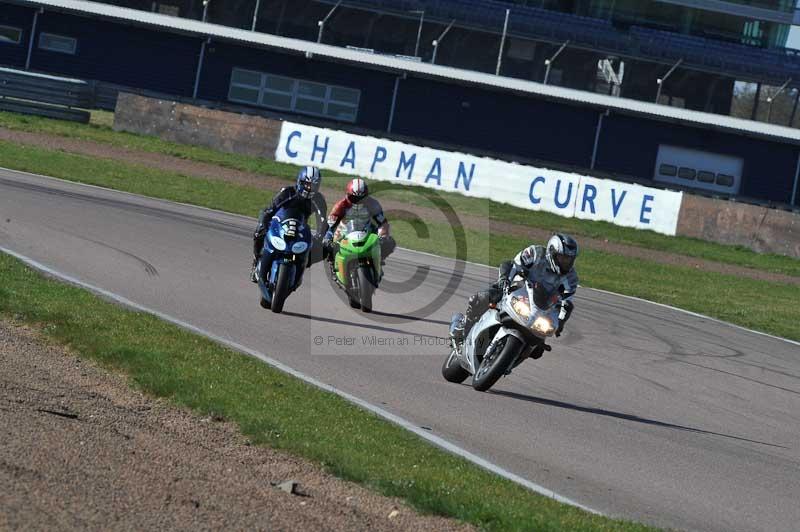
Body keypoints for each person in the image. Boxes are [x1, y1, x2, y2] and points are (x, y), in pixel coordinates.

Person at [456, 233, 579, 356]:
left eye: (569, 259)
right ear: (552, 252)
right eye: (562, 258)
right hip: (516, 288)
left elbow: (566, 302)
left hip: (539, 308)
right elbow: (512, 264)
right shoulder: (535, 253)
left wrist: (560, 323)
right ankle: (463, 327)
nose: (565, 262)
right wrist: (504, 281)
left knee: (537, 350)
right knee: (484, 298)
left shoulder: (571, 278)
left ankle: (509, 360)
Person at [250, 166, 328, 283]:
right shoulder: (287, 192)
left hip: (300, 228)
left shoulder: (318, 199)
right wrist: (265, 223)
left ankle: (302, 264)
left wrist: (321, 236)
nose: (309, 188)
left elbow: (322, 221)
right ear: (299, 181)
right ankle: (256, 261)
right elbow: (269, 209)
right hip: (279, 223)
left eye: (313, 186)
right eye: (306, 184)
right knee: (258, 232)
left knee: (324, 249)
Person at [322, 178, 396, 264]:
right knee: (325, 246)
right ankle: (334, 264)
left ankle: (379, 259)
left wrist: (382, 236)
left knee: (389, 242)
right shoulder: (340, 206)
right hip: (343, 234)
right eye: (354, 198)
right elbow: (331, 225)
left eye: (361, 198)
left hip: (367, 233)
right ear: (348, 195)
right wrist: (327, 238)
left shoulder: (373, 204)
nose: (357, 201)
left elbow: (383, 223)